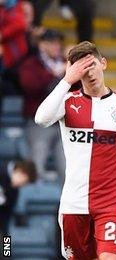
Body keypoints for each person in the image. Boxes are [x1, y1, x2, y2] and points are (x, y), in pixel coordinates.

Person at [34, 41, 116, 260]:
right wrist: (67, 79)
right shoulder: (67, 102)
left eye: (92, 65)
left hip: (113, 203)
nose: (89, 73)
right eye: (82, 69)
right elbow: (40, 119)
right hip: (74, 203)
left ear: (103, 63)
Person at [18, 29, 66, 180]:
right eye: (51, 42)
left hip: (61, 122)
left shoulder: (65, 63)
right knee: (37, 165)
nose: (56, 46)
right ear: (41, 44)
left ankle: (63, 203)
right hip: (38, 122)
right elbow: (30, 86)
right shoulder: (32, 63)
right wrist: (56, 74)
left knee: (67, 167)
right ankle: (32, 200)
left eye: (58, 43)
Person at [0, 160, 37, 234]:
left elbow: (5, 220)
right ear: (19, 171)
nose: (22, 185)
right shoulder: (1, 172)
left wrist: (7, 245)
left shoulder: (14, 193)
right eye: (23, 181)